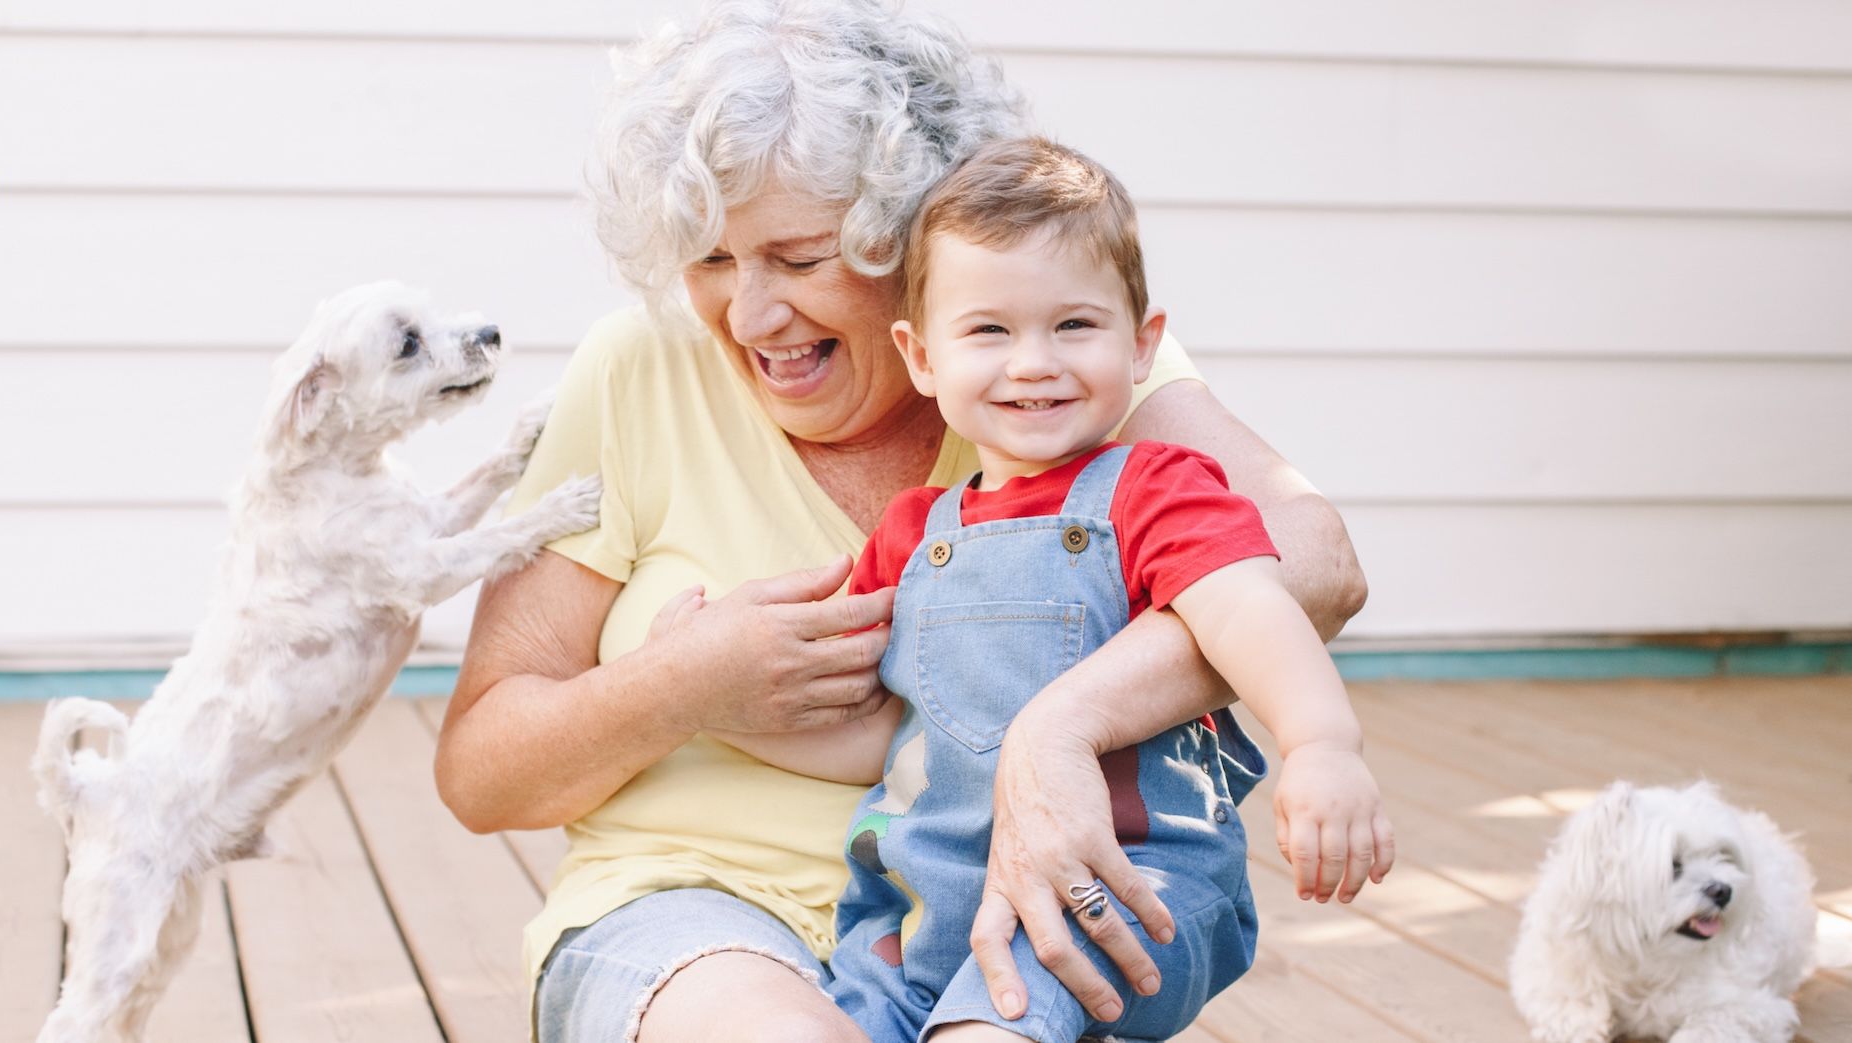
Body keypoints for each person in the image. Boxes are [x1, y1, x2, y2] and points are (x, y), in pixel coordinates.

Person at [433, 2, 1370, 1039]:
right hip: (692, 905)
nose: (747, 315)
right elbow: (481, 771)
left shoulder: (1041, 359)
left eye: (798, 258)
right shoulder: (635, 366)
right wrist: (682, 682)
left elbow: (1311, 559)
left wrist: (1054, 730)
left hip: (1011, 909)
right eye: (707, 260)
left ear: (919, 237)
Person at [687, 137, 1395, 1043]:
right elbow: (881, 732)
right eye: (989, 330)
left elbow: (1249, 604)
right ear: (923, 356)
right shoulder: (915, 532)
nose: (1032, 362)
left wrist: (1322, 743)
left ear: (1142, 345)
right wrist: (712, 702)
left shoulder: (1156, 488)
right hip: (922, 913)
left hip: (1118, 890)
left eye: (1073, 326)